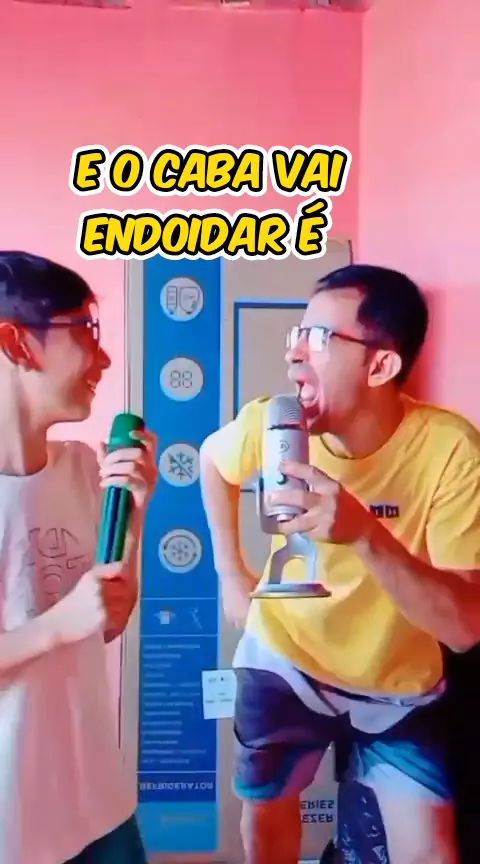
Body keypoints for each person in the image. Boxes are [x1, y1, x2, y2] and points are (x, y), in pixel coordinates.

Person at [200, 264, 480, 864]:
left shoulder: (451, 450)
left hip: (397, 679)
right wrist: (231, 574)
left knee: (432, 852)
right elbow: (212, 462)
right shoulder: (272, 423)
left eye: (319, 338)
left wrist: (365, 535)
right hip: (286, 655)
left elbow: (464, 627)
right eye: (297, 334)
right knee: (269, 816)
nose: (295, 353)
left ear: (381, 366)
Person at [0, 251, 158, 864]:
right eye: (85, 329)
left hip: (98, 806)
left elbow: (108, 621)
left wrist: (134, 516)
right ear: (16, 342)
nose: (105, 358)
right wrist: (57, 625)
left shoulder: (83, 468)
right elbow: (73, 623)